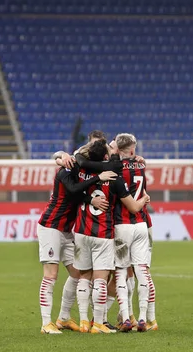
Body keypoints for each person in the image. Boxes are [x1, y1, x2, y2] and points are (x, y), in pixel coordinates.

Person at [73, 140, 150, 334]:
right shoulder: (115, 176)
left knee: (84, 276)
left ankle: (84, 321)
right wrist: (144, 200)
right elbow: (132, 206)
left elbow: (73, 188)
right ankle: (100, 321)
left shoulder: (81, 172)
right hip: (104, 232)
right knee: (106, 277)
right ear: (106, 156)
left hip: (81, 231)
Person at [37, 158, 117, 334]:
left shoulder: (79, 170)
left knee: (76, 273)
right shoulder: (65, 171)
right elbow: (73, 189)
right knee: (51, 275)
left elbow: (79, 193)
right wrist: (97, 179)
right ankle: (45, 323)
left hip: (66, 230)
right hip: (51, 226)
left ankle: (63, 318)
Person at [111, 133, 158, 332]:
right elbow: (137, 164)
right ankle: (143, 318)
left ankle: (126, 317)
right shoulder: (141, 166)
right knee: (142, 272)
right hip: (141, 225)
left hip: (122, 225)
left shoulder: (114, 169)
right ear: (132, 149)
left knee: (121, 272)